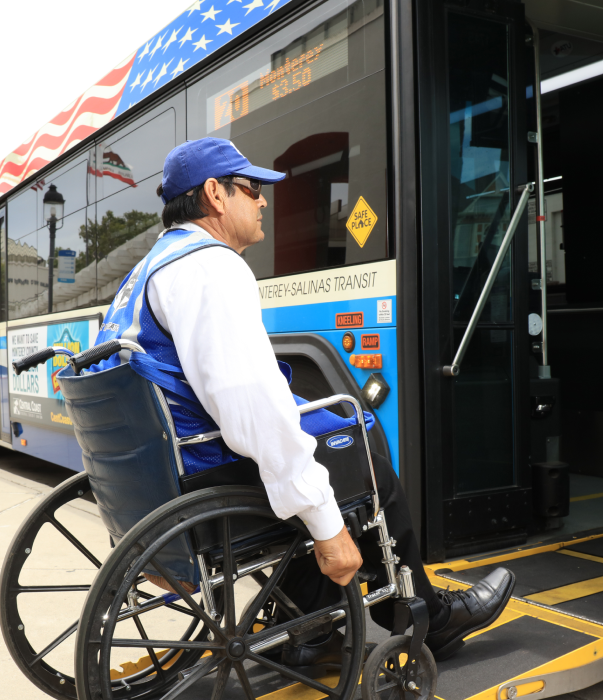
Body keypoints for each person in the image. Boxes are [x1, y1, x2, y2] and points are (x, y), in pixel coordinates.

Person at [94, 137, 514, 665]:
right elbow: (250, 410)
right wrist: (327, 526)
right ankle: (425, 617)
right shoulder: (211, 268)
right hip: (205, 478)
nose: (263, 201)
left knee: (318, 453)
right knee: (362, 463)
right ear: (214, 195)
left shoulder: (148, 269)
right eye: (251, 189)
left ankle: (305, 624)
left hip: (160, 480)